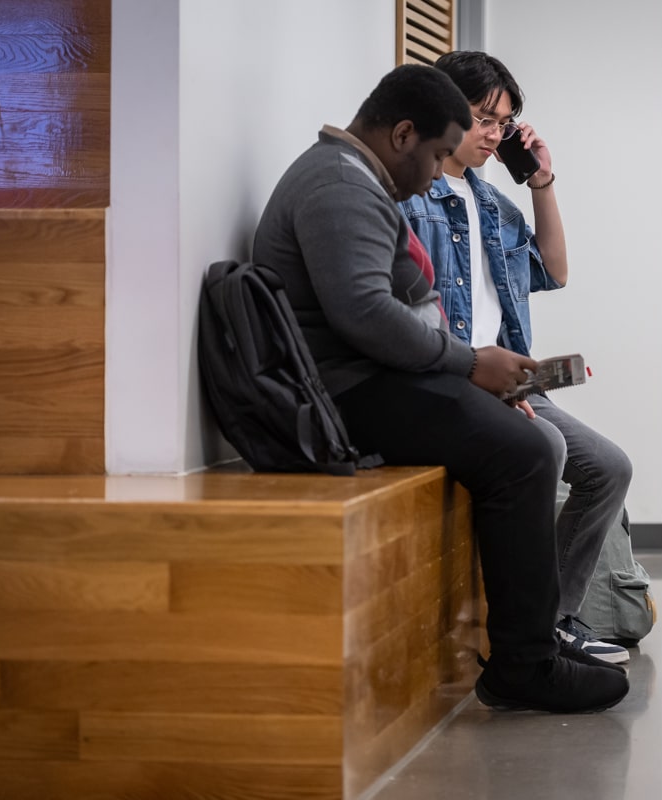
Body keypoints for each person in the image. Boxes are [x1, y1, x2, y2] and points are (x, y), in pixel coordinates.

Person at [251, 64, 629, 713]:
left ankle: (534, 640)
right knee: (528, 453)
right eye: (431, 154)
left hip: (377, 375)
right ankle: (524, 663)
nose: (433, 172)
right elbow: (366, 314)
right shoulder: (341, 185)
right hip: (343, 392)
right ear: (402, 134)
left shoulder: (362, 180)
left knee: (536, 446)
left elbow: (413, 296)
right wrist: (467, 364)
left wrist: (467, 361)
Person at [399, 51, 634, 663]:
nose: (494, 134)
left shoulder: (493, 204)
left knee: (609, 467)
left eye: (503, 122)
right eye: (482, 118)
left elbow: (554, 271)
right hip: (454, 380)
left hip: (510, 384)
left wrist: (540, 182)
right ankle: (525, 634)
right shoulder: (411, 198)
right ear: (444, 110)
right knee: (549, 448)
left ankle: (557, 619)